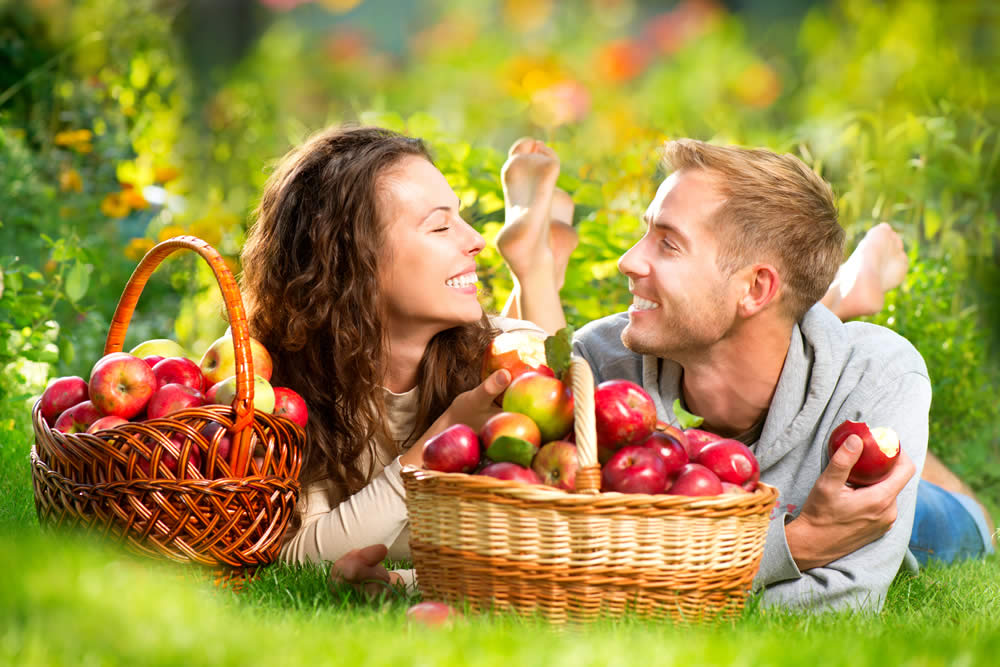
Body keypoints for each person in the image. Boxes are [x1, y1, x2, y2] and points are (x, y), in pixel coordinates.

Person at [495, 137, 994, 609]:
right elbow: (572, 578)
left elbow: (840, 606)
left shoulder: (878, 374)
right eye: (646, 233)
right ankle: (838, 299)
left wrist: (656, 591)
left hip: (920, 514)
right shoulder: (603, 363)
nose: (628, 260)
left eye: (668, 244)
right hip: (789, 394)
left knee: (972, 523)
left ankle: (843, 306)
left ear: (756, 289)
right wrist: (798, 543)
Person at [239, 126, 547, 589]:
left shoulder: (510, 358)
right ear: (350, 260)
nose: (473, 240)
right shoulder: (278, 383)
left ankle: (537, 266)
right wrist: (441, 439)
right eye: (440, 226)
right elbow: (300, 557)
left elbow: (543, 550)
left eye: (458, 218)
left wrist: (401, 583)